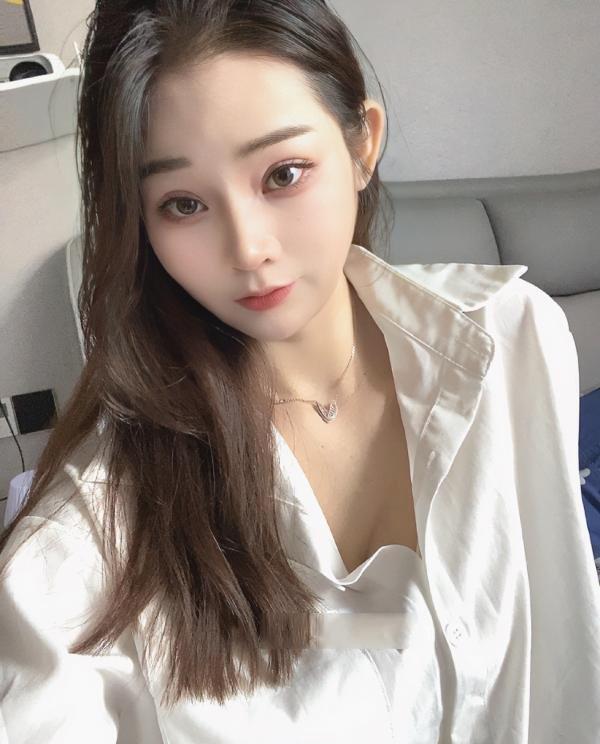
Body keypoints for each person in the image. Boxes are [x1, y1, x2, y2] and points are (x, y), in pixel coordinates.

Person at [1, 1, 599, 742]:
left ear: (362, 144)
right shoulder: (96, 533)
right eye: (183, 204)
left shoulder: (514, 338)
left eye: (283, 174)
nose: (248, 248)